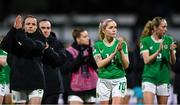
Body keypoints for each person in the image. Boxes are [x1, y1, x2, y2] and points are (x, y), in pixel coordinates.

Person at [0, 15, 47, 104]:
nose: (30, 26)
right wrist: (13, 29)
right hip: (18, 81)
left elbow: (30, 45)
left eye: (33, 24)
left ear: (37, 27)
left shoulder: (41, 39)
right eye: (28, 23)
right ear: (24, 25)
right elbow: (4, 45)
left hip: (36, 82)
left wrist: (18, 31)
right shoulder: (17, 35)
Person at [140, 16, 177, 104]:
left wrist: (171, 51)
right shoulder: (146, 41)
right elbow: (146, 61)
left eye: (166, 27)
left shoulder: (169, 40)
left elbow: (173, 62)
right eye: (163, 27)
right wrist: (158, 51)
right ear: (155, 27)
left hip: (163, 79)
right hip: (149, 79)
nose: (166, 29)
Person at [93, 18, 129, 105]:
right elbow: (99, 64)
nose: (114, 30)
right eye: (111, 27)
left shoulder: (122, 44)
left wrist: (120, 51)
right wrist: (114, 54)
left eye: (115, 27)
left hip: (119, 80)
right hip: (103, 81)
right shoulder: (97, 45)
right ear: (104, 30)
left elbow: (126, 65)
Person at [61, 27, 98, 105]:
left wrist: (90, 53)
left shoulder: (90, 50)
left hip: (91, 87)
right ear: (77, 39)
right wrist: (80, 57)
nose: (88, 38)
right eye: (85, 37)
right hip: (76, 88)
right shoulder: (69, 51)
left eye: (87, 36)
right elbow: (69, 69)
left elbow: (95, 66)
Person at [38, 19, 66, 104]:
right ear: (38, 29)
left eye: (48, 28)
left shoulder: (57, 43)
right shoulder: (31, 43)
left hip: (52, 87)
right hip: (35, 85)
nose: (46, 30)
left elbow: (60, 61)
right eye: (43, 28)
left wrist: (48, 49)